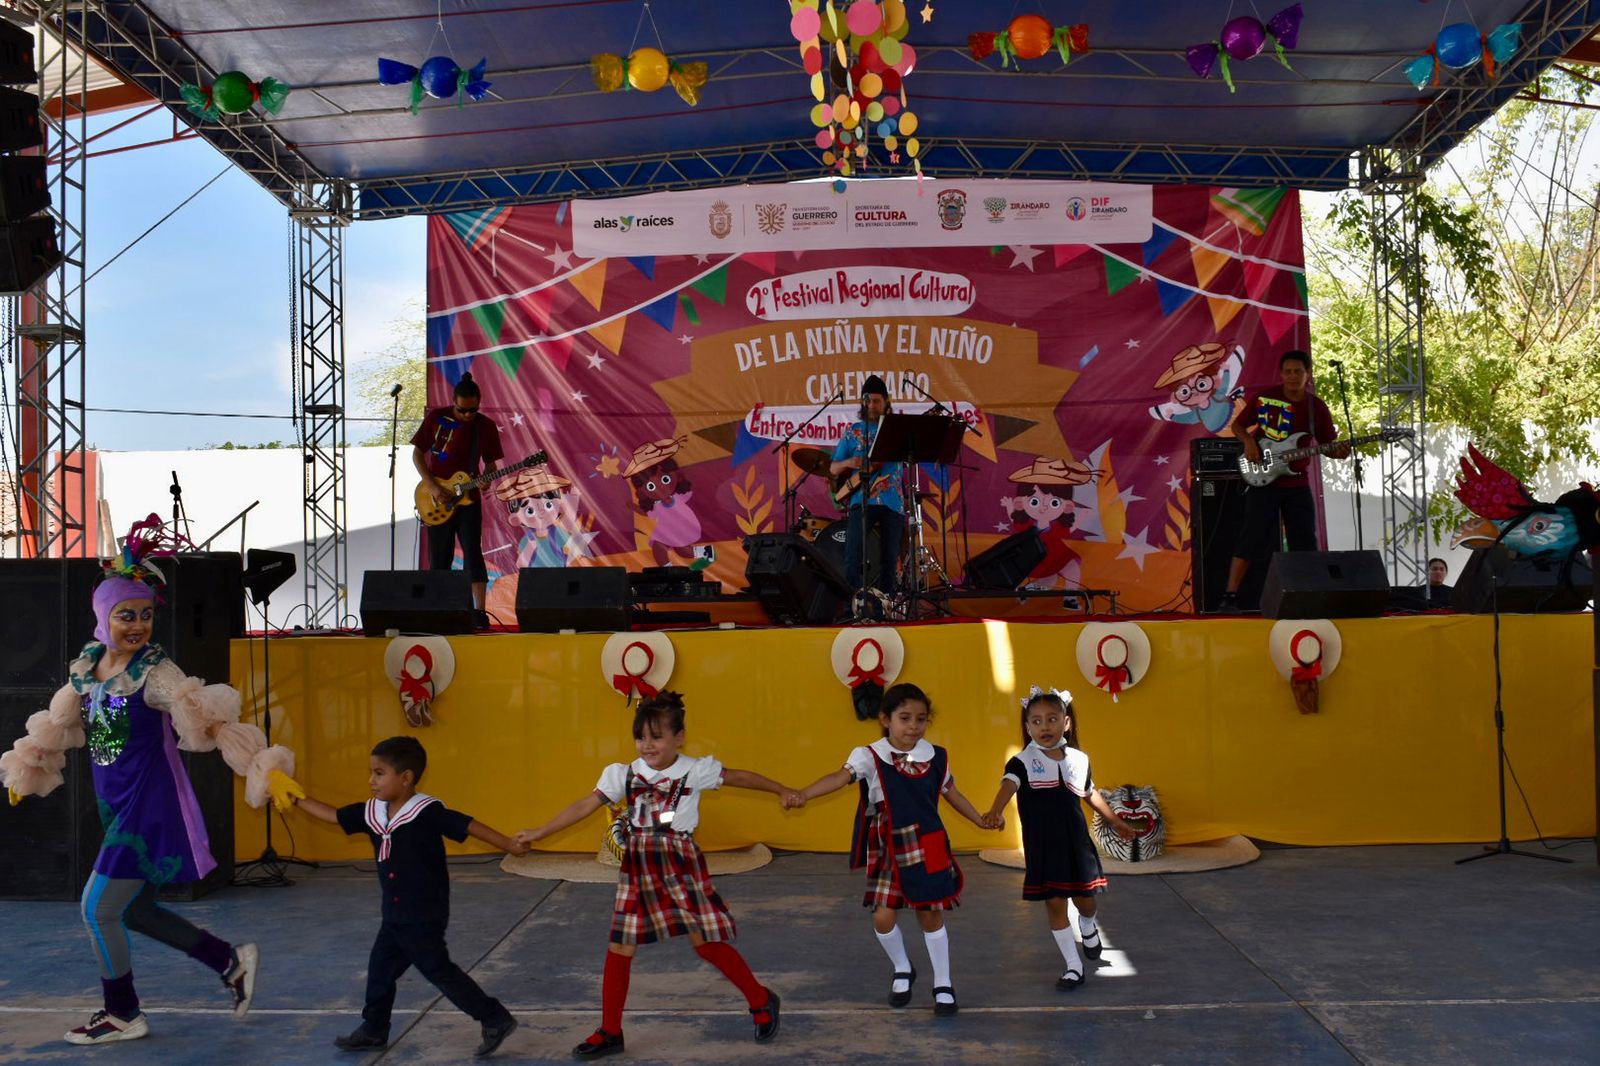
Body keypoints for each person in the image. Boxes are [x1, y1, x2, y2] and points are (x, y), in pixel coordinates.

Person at [0, 515, 296, 1045]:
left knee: (97, 909)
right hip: (116, 805)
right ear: (101, 618)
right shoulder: (87, 671)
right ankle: (228, 960)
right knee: (131, 909)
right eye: (124, 615)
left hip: (150, 805)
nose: (136, 625)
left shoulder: (156, 674)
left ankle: (122, 1013)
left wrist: (262, 769)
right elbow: (58, 722)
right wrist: (31, 764)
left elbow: (212, 720)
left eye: (144, 615)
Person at [515, 691, 795, 1058]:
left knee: (705, 943)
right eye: (641, 737)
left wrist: (781, 789)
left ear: (680, 737)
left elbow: (740, 776)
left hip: (679, 864)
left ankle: (761, 999)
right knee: (620, 945)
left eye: (657, 737)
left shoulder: (695, 770)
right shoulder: (624, 774)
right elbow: (584, 804)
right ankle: (611, 1031)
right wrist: (539, 832)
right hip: (639, 865)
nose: (647, 745)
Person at [271, 736, 524, 1057]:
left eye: (379, 773)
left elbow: (469, 825)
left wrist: (509, 845)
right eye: (371, 772)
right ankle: (374, 1029)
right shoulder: (372, 812)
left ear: (405, 778)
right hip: (394, 913)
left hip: (423, 912)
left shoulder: (426, 811)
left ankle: (494, 1017)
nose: (370, 780)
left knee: (437, 969)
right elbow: (334, 815)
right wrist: (295, 797)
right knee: (380, 970)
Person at [790, 682, 991, 1016]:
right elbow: (839, 778)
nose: (913, 726)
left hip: (929, 842)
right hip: (890, 844)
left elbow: (952, 794)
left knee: (930, 913)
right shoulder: (869, 756)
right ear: (886, 719)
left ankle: (943, 983)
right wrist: (804, 794)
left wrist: (980, 819)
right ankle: (902, 967)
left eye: (921, 719)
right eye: (905, 718)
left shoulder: (936, 756)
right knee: (883, 916)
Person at [981, 687, 1134, 991]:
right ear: (1027, 728)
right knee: (1054, 904)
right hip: (1043, 848)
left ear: (1066, 722)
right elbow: (1007, 788)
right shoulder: (1020, 763)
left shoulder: (1079, 759)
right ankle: (1073, 967)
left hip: (1075, 846)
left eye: (1052, 719)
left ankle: (1088, 925)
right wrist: (995, 811)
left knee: (1086, 901)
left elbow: (1090, 793)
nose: (1044, 726)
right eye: (1036, 721)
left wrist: (1115, 820)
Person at [1219, 350, 1351, 611]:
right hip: (1263, 480)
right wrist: (1248, 442)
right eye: (1288, 372)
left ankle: (1310, 595)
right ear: (1281, 374)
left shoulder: (1317, 407)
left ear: (1308, 375)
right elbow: (1238, 426)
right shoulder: (1265, 399)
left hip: (1297, 483)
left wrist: (1339, 453)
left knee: (1305, 541)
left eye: (1298, 372)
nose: (1292, 376)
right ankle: (1230, 597)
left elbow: (1327, 446)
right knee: (1252, 537)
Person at [412, 372, 504, 620]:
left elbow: (491, 464)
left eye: (472, 410)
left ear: (479, 403)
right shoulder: (436, 418)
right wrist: (431, 486)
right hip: (437, 497)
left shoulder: (485, 426)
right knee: (439, 557)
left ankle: (479, 612)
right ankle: (438, 611)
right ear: (453, 401)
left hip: (469, 501)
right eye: (462, 410)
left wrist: (487, 479)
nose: (467, 415)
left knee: (473, 553)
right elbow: (418, 454)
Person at [829, 374, 905, 605]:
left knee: (889, 559)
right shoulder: (853, 431)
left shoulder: (897, 429)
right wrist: (849, 463)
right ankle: (853, 605)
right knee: (853, 555)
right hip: (861, 500)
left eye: (876, 401)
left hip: (892, 501)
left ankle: (886, 605)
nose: (871, 405)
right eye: (868, 401)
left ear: (886, 402)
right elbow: (833, 468)